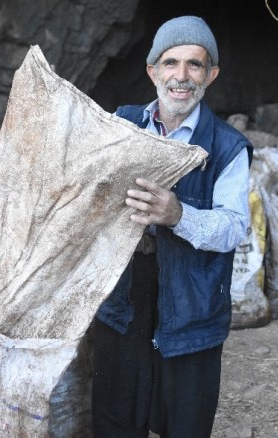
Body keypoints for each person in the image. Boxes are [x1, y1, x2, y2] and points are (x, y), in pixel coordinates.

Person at [92, 15, 253, 438]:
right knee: (115, 417)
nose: (181, 76)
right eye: (170, 63)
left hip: (192, 301)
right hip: (122, 296)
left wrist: (178, 215)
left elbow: (234, 227)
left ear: (211, 75)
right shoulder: (122, 125)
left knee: (185, 421)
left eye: (195, 65)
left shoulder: (226, 146)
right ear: (152, 71)